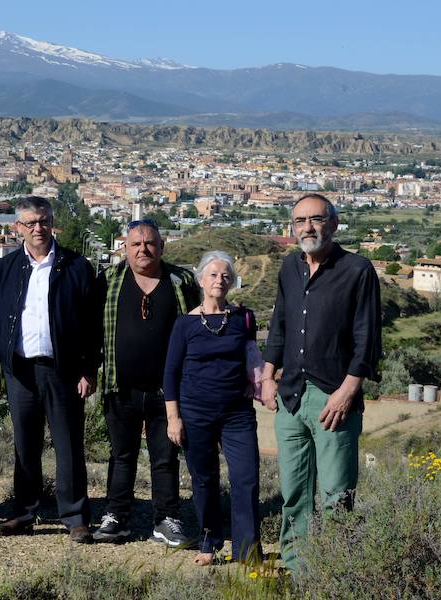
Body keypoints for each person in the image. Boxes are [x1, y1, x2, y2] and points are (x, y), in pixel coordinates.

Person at [262, 193, 381, 573]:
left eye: (315, 219)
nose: (307, 227)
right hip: (290, 396)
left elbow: (368, 340)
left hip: (334, 396)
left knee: (336, 495)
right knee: (294, 494)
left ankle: (335, 574)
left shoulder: (358, 270)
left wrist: (347, 392)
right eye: (300, 221)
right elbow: (279, 327)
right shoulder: (288, 269)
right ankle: (298, 572)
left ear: (333, 223)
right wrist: (267, 375)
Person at [0, 196, 100, 543]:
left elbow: (92, 327)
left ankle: (75, 516)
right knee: (25, 444)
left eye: (44, 221)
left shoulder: (76, 266)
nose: (38, 228)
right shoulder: (5, 269)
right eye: (31, 222)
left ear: (52, 223)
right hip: (19, 369)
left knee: (68, 444)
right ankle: (23, 513)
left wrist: (88, 370)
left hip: (62, 369)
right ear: (18, 227)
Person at [92, 219, 198, 545]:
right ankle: (116, 517)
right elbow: (91, 329)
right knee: (121, 455)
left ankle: (166, 519)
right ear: (124, 248)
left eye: (150, 243)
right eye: (135, 244)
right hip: (119, 386)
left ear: (162, 247)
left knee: (165, 457)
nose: (143, 249)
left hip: (167, 392)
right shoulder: (108, 280)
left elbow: (197, 328)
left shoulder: (181, 281)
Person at [163, 251, 265, 565]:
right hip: (196, 412)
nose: (219, 280)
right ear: (201, 280)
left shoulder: (244, 318)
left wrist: (260, 384)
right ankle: (210, 543)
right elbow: (170, 372)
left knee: (246, 478)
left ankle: (247, 551)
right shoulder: (185, 324)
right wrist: (173, 418)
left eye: (225, 275)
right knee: (204, 479)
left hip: (237, 412)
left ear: (232, 281)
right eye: (213, 274)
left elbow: (252, 356)